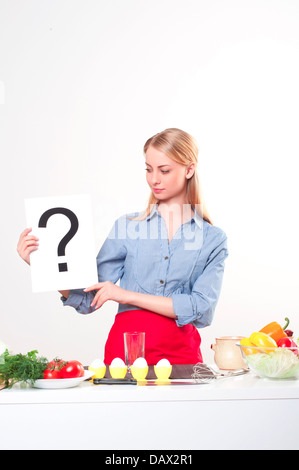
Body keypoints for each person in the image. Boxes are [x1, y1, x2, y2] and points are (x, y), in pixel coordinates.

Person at [17, 128, 228, 365]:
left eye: (164, 170)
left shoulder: (212, 238)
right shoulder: (127, 227)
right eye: (148, 169)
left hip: (181, 358)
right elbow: (87, 299)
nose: (154, 179)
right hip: (126, 355)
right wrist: (43, 265)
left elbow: (201, 309)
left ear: (189, 169)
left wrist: (125, 295)